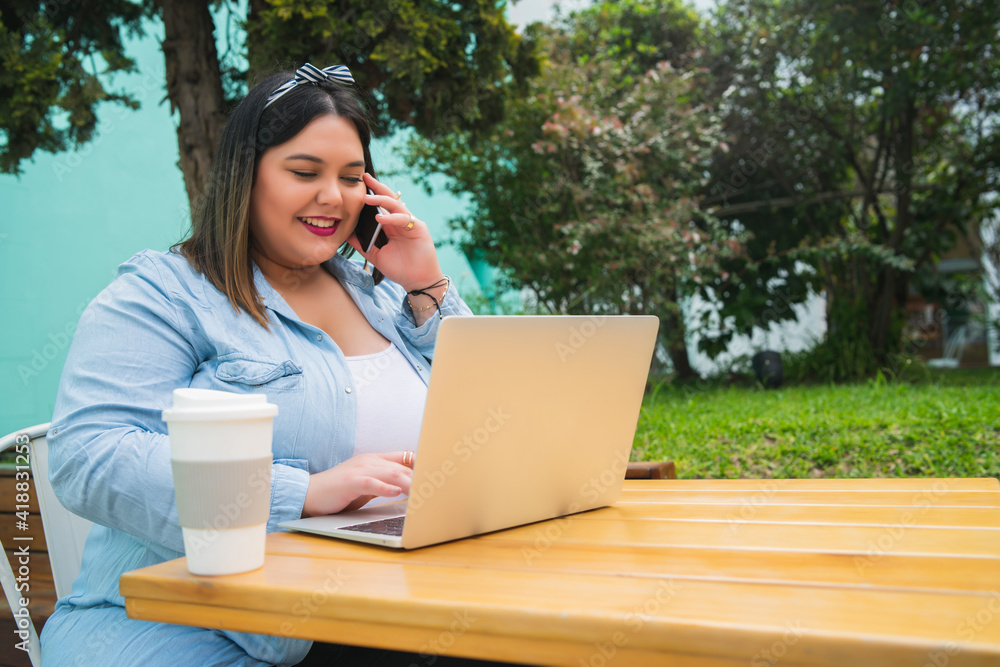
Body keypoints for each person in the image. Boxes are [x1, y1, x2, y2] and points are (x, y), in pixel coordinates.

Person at [39, 64, 507, 666]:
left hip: (390, 609)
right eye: (304, 172)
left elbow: (490, 418)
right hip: (190, 627)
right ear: (245, 175)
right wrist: (302, 493)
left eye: (351, 177)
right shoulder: (163, 295)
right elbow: (89, 455)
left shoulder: (387, 293)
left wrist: (427, 284)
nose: (333, 196)